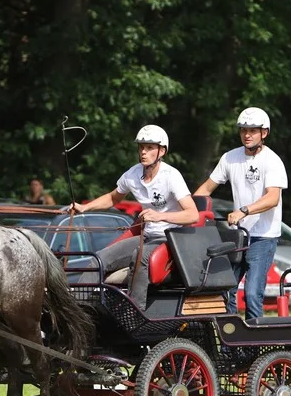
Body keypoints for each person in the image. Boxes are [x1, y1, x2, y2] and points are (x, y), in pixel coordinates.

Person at [69, 125, 199, 308]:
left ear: (162, 151)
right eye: (141, 147)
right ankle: (76, 310)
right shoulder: (132, 174)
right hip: (147, 237)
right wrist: (85, 207)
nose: (143, 152)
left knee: (140, 257)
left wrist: (160, 216)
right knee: (98, 259)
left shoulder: (171, 176)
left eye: (149, 148)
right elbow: (113, 198)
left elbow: (192, 214)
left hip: (172, 238)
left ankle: (134, 310)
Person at [194, 107, 288, 319]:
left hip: (263, 237)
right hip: (238, 236)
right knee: (226, 291)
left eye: (252, 130)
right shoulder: (230, 158)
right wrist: (189, 210)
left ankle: (256, 345)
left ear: (264, 133)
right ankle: (231, 343)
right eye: (243, 130)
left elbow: (272, 198)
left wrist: (244, 211)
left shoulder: (272, 161)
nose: (247, 135)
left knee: (253, 294)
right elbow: (206, 189)